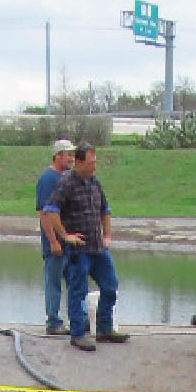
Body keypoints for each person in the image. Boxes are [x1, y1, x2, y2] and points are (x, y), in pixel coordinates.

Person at [41, 142, 129, 353]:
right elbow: (50, 209)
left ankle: (104, 328)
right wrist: (64, 236)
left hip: (98, 248)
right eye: (91, 162)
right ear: (79, 162)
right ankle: (78, 334)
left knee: (110, 285)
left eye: (95, 162)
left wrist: (107, 235)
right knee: (78, 290)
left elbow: (105, 210)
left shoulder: (94, 182)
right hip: (79, 249)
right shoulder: (66, 183)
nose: (94, 166)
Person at [35, 136, 74, 335]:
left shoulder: (69, 176)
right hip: (55, 242)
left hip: (70, 240)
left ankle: (79, 319)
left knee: (75, 280)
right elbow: (44, 213)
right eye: (68, 154)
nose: (72, 158)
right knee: (53, 282)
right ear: (58, 155)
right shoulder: (47, 179)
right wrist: (52, 241)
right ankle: (53, 321)